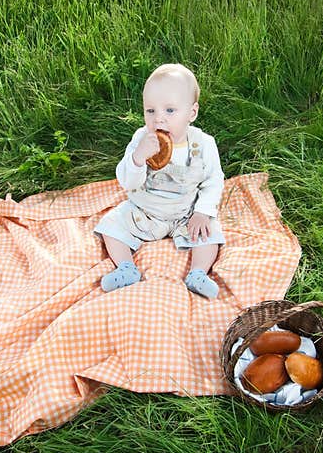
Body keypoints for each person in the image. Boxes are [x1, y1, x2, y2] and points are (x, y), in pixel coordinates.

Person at [94, 63, 225, 299]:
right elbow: (127, 183)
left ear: (191, 113)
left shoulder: (203, 144)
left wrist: (203, 212)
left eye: (170, 111)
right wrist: (137, 159)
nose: (158, 120)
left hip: (186, 212)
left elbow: (213, 181)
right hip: (145, 211)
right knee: (110, 225)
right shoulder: (142, 139)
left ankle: (198, 273)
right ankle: (126, 268)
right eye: (150, 111)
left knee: (211, 232)